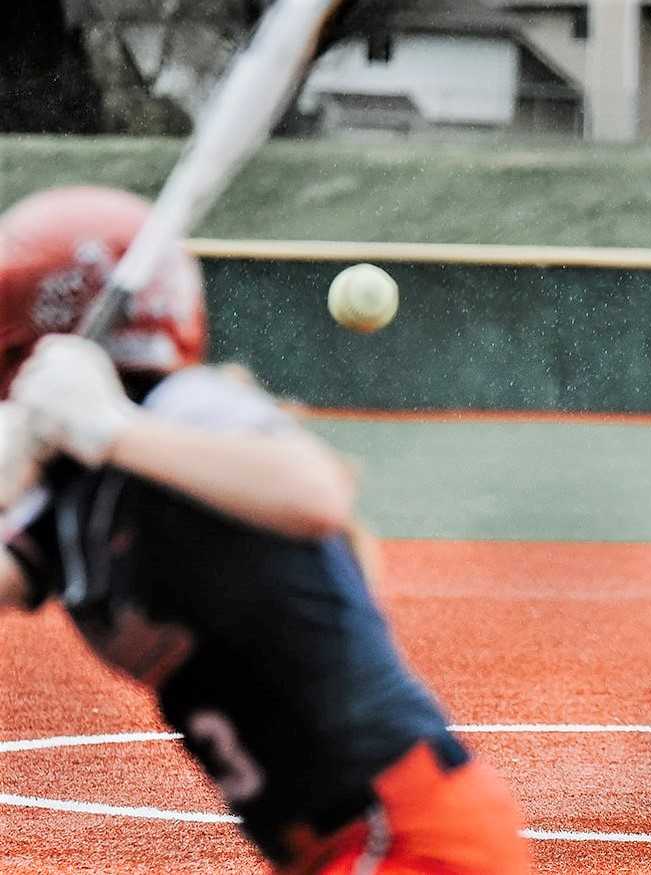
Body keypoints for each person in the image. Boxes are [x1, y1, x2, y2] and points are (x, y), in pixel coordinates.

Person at [0, 186, 531, 874]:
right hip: (330, 847)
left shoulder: (185, 409)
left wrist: (111, 429)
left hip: (402, 833)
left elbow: (315, 491)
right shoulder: (65, 488)